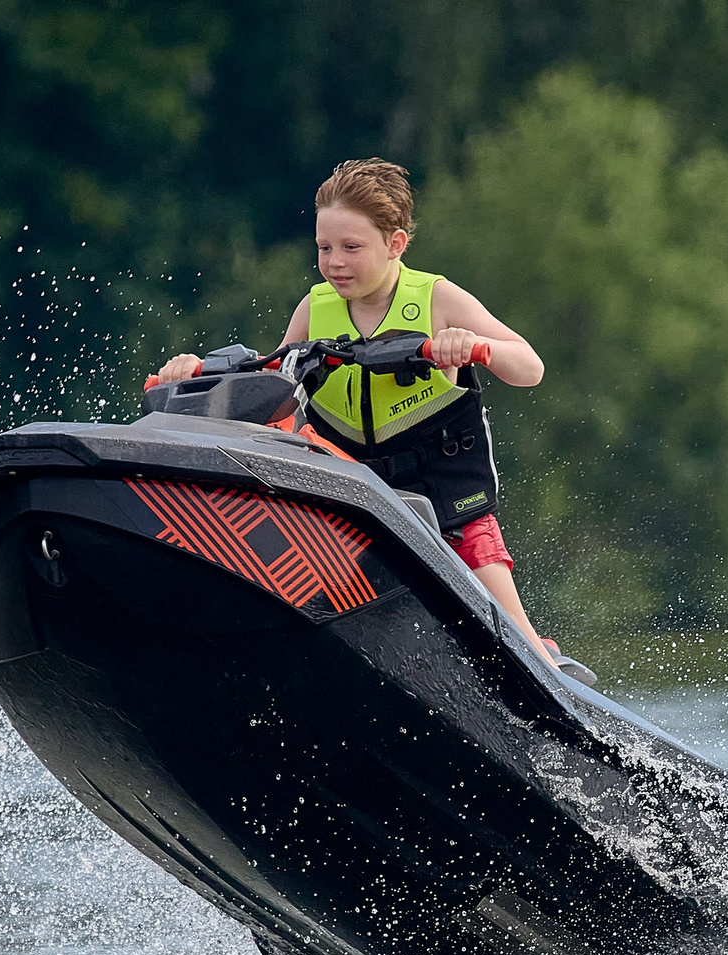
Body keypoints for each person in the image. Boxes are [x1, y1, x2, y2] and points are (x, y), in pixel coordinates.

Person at [152, 159, 590, 680]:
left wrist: (473, 346)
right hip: (354, 486)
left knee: (492, 587)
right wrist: (192, 372)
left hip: (446, 489)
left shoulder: (437, 298)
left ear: (395, 244)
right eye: (324, 248)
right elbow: (270, 384)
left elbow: (530, 367)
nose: (334, 262)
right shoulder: (314, 310)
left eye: (351, 248)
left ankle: (538, 664)